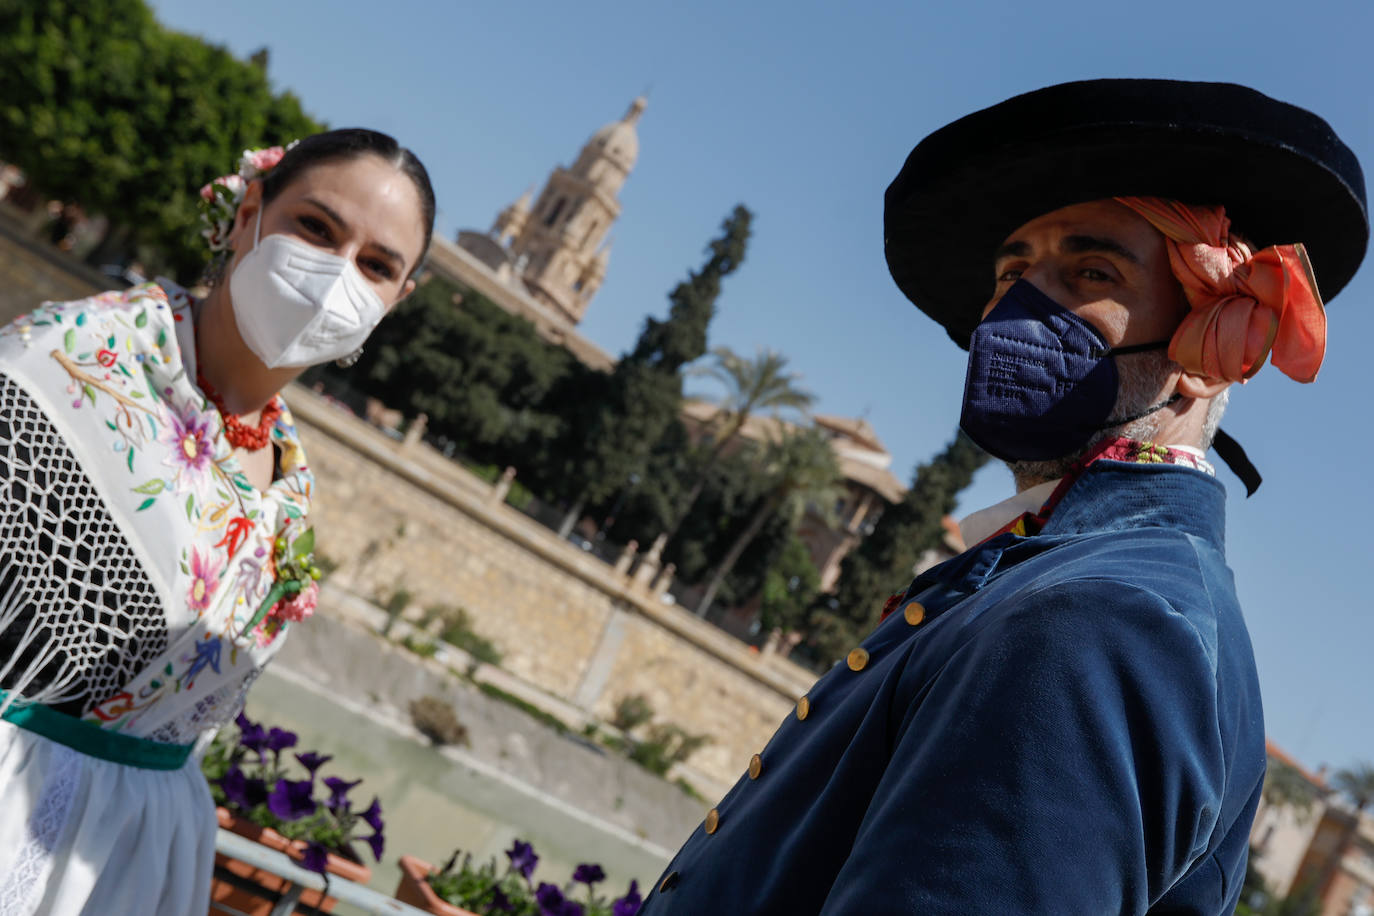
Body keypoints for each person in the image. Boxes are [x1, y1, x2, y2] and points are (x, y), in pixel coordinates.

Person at [639, 80, 1366, 914]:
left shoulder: (1096, 619)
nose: (1019, 308)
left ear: (1214, 345)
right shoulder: (1068, 581)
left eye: (1090, 269)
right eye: (1012, 271)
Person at [0, 128, 435, 915]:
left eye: (376, 265)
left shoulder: (289, 488)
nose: (338, 273)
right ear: (248, 217)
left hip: (131, 866)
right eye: (317, 228)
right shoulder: (68, 362)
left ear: (397, 300)